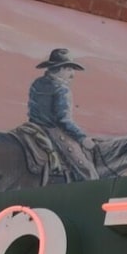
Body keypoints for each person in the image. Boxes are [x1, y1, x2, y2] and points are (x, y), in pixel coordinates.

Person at [26, 48, 99, 182]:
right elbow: (64, 120)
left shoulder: (37, 82)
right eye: (69, 69)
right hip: (53, 132)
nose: (72, 74)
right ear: (60, 69)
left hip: (32, 127)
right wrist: (82, 138)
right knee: (88, 171)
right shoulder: (62, 89)